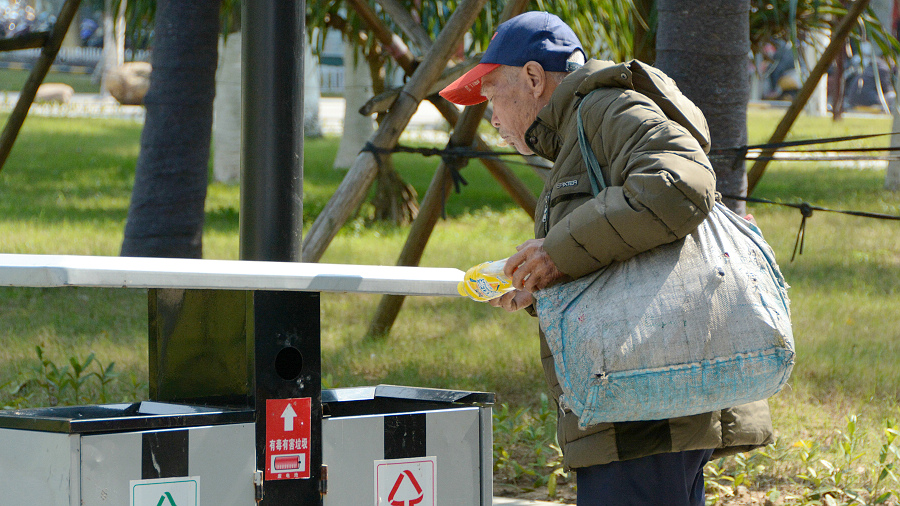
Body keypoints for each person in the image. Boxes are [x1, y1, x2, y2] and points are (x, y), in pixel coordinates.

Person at [440, 12, 774, 506]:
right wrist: (541, 284)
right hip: (640, 404)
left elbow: (681, 181)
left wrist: (556, 253)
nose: (490, 117)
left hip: (644, 416)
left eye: (492, 95)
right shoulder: (581, 132)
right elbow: (620, 251)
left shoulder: (603, 109)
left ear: (533, 78)